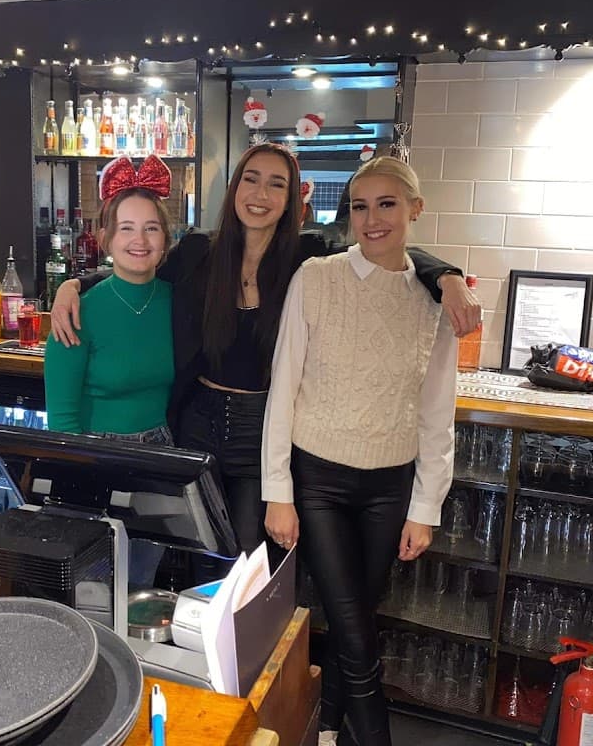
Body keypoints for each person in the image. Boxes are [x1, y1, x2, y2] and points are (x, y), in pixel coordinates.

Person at [51, 143, 477, 558]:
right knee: (190, 552)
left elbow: (381, 246)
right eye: (251, 179)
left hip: (262, 430)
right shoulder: (200, 252)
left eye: (276, 184)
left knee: (247, 559)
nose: (260, 194)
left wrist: (446, 275)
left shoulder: (308, 259)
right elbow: (136, 268)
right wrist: (75, 285)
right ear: (235, 188)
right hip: (195, 424)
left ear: (292, 200)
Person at [262, 156, 456, 746]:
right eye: (359, 206)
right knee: (354, 630)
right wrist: (279, 491)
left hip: (389, 485)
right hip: (317, 479)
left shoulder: (436, 300)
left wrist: (427, 506)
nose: (371, 220)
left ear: (415, 210)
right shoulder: (316, 279)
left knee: (356, 625)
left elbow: (436, 408)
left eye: (387, 204)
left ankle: (324, 732)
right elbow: (283, 385)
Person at [43, 153, 174, 588]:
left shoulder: (182, 302)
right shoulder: (78, 311)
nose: (140, 240)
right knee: (93, 588)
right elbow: (61, 418)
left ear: (166, 238)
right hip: (92, 454)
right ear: (105, 238)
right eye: (127, 228)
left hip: (159, 457)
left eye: (151, 227)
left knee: (141, 585)